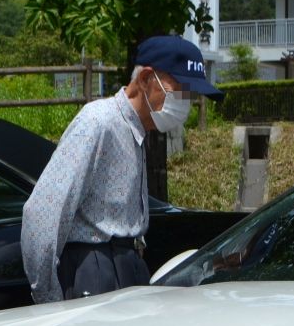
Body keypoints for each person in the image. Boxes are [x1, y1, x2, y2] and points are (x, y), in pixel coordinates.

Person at [20, 35, 223, 302]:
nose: (186, 101)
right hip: (94, 270)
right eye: (181, 89)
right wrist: (48, 300)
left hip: (126, 265)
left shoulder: (136, 130)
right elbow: (42, 213)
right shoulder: (99, 122)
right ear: (147, 79)